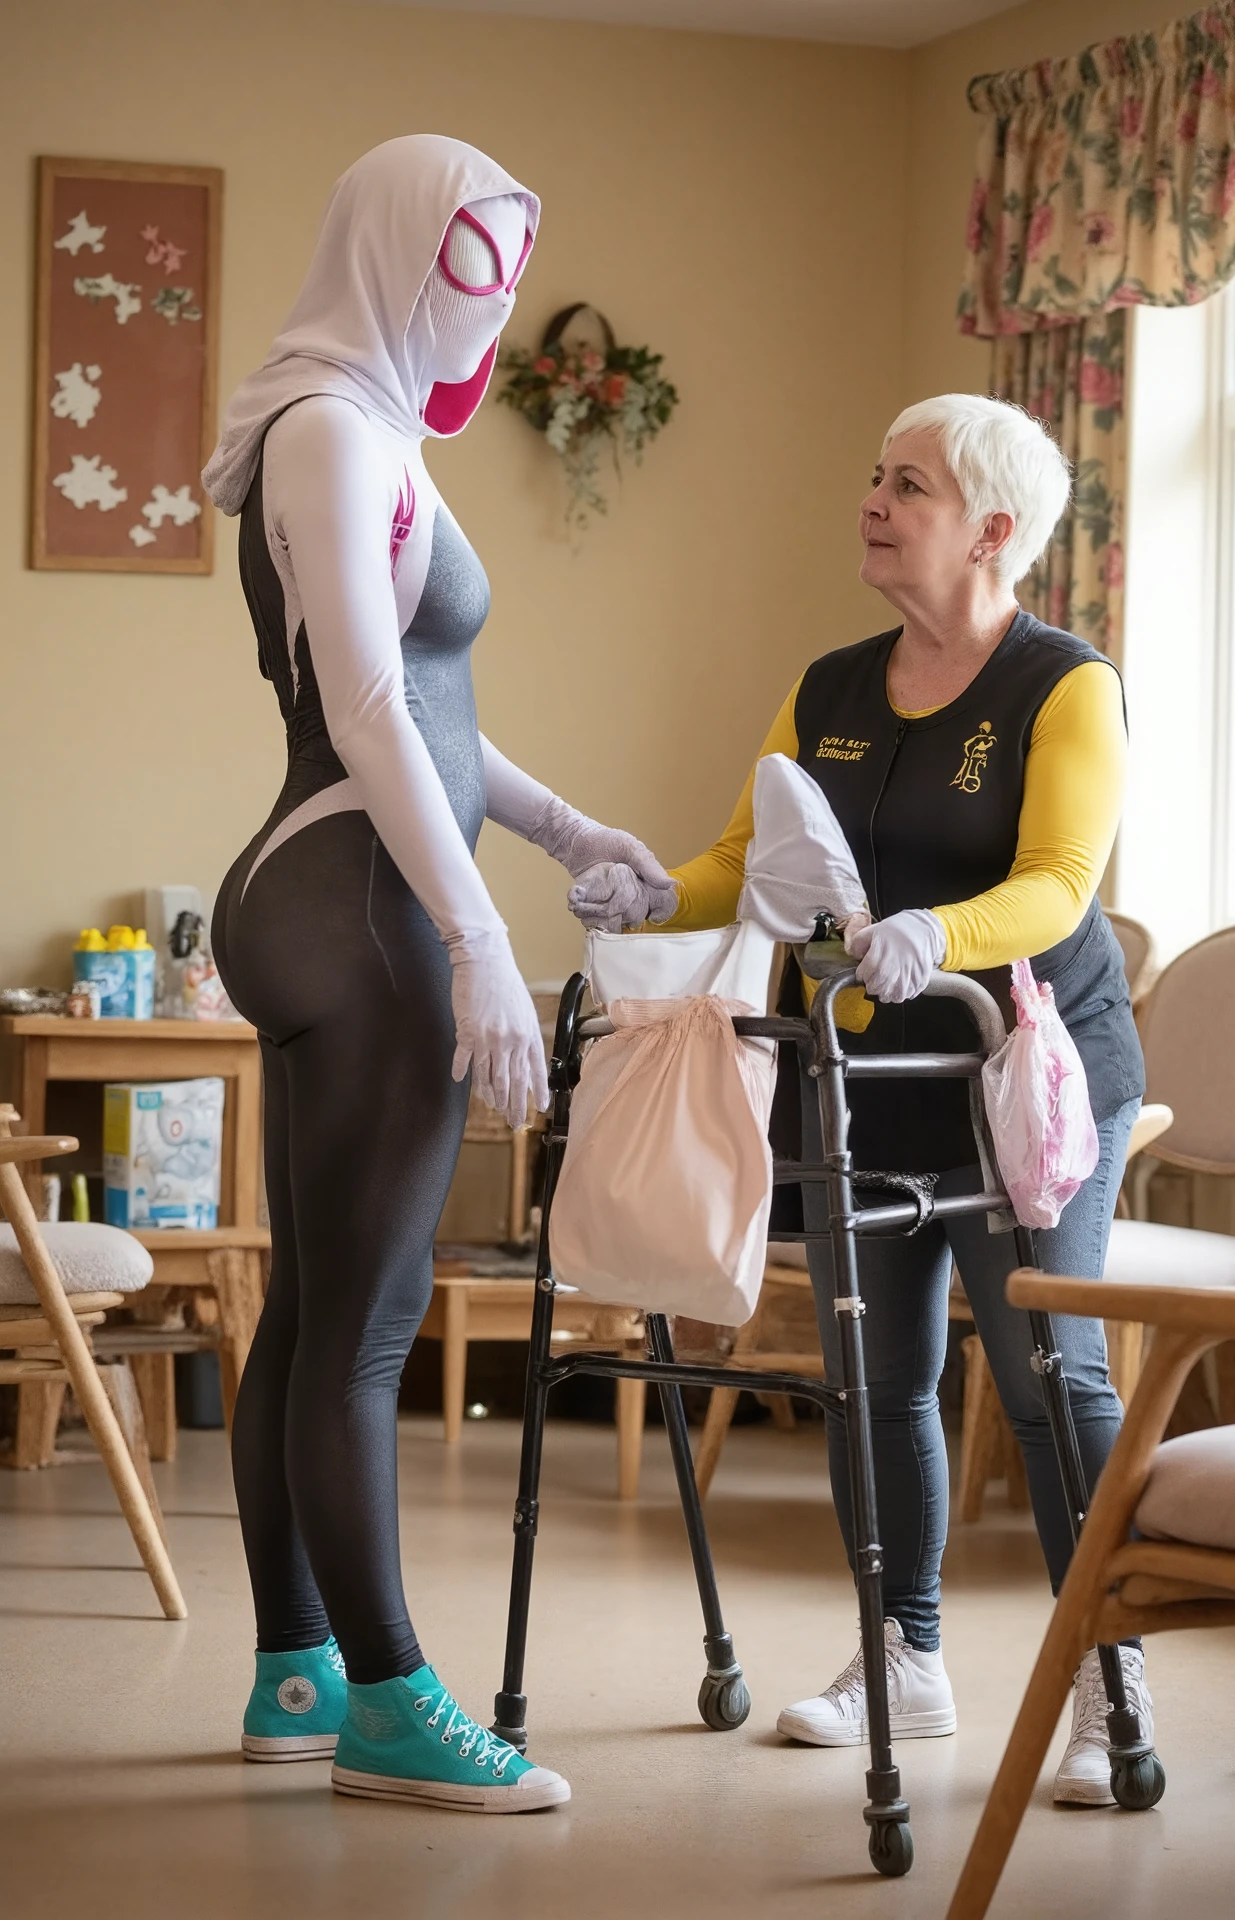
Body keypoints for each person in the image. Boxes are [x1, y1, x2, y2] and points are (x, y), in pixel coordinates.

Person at [204, 135, 673, 1814]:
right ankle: (396, 1704)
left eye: (508, 267)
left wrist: (558, 832)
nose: (489, 303)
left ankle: (295, 1670)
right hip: (365, 901)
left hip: (334, 880)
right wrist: (475, 932)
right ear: (394, 254)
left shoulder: (356, 423)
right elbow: (368, 712)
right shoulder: (331, 431)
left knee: (317, 1314)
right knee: (371, 1328)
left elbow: (439, 718)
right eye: (469, 264)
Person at [661, 393, 1148, 1807]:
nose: (874, 500)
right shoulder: (829, 687)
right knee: (878, 1382)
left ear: (993, 529)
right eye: (874, 475)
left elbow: (1059, 884)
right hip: (874, 1080)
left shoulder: (1065, 684)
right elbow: (749, 859)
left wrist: (938, 933)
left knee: (1054, 1382)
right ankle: (905, 1658)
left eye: (910, 486)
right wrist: (645, 882)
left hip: (1026, 1078)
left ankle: (1111, 1683)